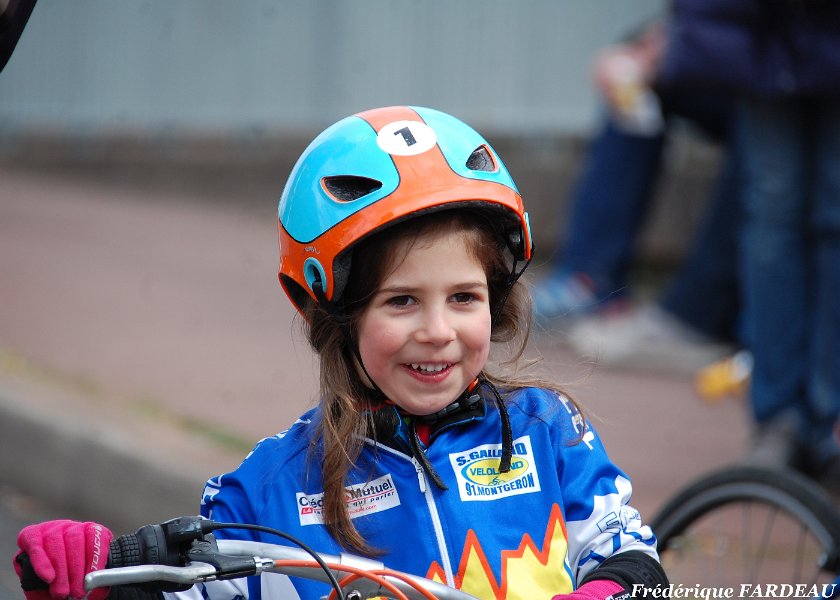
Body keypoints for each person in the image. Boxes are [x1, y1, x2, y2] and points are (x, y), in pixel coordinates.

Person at [12, 106, 669, 599]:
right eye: (401, 301)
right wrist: (96, 566)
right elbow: (186, 585)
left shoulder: (547, 431)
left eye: (464, 297)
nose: (438, 330)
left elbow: (633, 561)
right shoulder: (273, 487)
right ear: (337, 314)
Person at [658, 0, 840, 491]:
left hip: (767, 29)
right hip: (761, 29)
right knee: (773, 218)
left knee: (804, 218)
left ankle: (824, 419)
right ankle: (780, 418)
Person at [531, 20, 741, 371]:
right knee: (630, 82)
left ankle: (697, 316)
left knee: (765, 130)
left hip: (790, 76)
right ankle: (589, 281)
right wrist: (644, 47)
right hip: (753, 58)